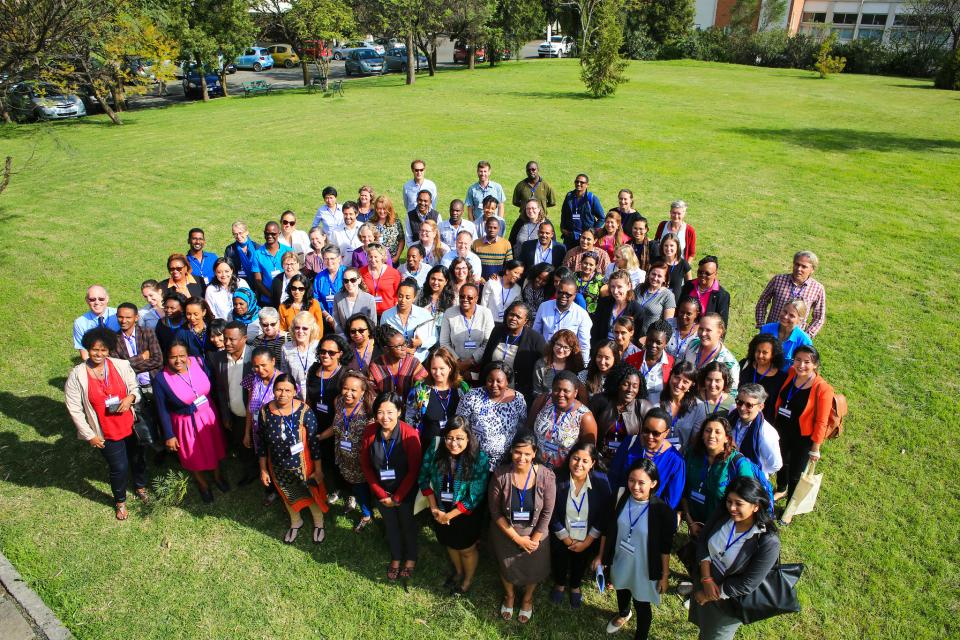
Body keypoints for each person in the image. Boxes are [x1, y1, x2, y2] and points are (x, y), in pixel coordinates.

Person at [65, 327, 146, 520]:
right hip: (105, 431)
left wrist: (130, 398)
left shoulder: (121, 365)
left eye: (103, 350)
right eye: (94, 350)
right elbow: (74, 408)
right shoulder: (77, 375)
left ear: (109, 349)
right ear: (87, 349)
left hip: (129, 424)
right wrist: (89, 435)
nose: (99, 354)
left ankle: (141, 486)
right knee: (119, 467)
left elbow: (135, 387)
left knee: (137, 458)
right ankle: (120, 501)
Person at [689, 477, 780, 640]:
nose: (732, 508)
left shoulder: (768, 542)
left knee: (715, 635)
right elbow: (703, 539)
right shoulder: (723, 513)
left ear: (755, 506)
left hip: (727, 602)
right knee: (704, 629)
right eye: (729, 501)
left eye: (739, 503)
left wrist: (709, 594)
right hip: (704, 580)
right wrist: (706, 578)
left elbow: (747, 584)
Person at [600, 458, 675, 639]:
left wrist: (664, 575)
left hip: (644, 566)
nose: (635, 487)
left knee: (642, 604)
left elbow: (665, 547)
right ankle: (624, 613)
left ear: (653, 483)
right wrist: (602, 558)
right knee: (621, 589)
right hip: (620, 559)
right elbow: (607, 529)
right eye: (631, 480)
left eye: (642, 482)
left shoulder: (661, 511)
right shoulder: (620, 497)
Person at [488, 430, 556, 623]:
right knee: (506, 566)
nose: (522, 458)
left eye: (527, 453)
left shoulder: (546, 476)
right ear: (511, 451)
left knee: (535, 567)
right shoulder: (501, 475)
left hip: (535, 534)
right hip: (506, 532)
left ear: (534, 453)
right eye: (518, 452)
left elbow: (547, 512)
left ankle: (527, 598)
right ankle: (509, 595)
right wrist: (517, 538)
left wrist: (533, 541)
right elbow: (495, 512)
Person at [418, 416, 491, 595]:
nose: (454, 443)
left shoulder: (479, 459)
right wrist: (435, 508)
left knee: (466, 549)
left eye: (459, 438)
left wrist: (448, 516)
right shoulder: (436, 451)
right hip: (440, 509)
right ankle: (459, 572)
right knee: (450, 544)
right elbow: (424, 477)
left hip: (465, 514)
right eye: (449, 438)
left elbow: (475, 495)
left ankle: (467, 579)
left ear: (468, 438)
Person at [153, 340, 228, 502]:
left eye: (182, 356)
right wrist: (169, 435)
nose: (178, 360)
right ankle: (203, 484)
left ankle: (217, 477)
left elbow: (212, 384)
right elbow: (162, 409)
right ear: (167, 357)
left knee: (213, 448)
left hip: (208, 416)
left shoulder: (199, 362)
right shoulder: (161, 379)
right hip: (186, 422)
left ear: (189, 355)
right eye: (173, 357)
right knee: (193, 455)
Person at [257, 374, 328, 544]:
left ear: (295, 391)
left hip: (303, 466)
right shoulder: (265, 412)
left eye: (287, 390)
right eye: (279, 389)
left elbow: (313, 443)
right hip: (278, 467)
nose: (283, 394)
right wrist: (263, 469)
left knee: (311, 494)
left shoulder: (305, 411)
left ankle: (319, 523)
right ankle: (296, 521)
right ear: (273, 390)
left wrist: (318, 470)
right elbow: (261, 442)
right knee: (287, 494)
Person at [360, 391, 423, 580]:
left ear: (399, 412)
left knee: (407, 525)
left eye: (390, 412)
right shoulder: (370, 432)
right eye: (380, 412)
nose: (384, 417)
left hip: (405, 492)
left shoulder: (409, 434)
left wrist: (397, 497)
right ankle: (396, 557)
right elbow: (366, 466)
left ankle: (410, 557)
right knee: (391, 525)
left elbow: (414, 470)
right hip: (382, 492)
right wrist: (381, 494)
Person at [549, 443, 612, 608]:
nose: (579, 464)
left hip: (587, 537)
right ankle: (560, 583)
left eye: (585, 461)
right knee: (559, 558)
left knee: (580, 560)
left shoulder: (602, 482)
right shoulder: (556, 479)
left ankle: (575, 585)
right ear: (569, 458)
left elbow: (604, 515)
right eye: (576, 458)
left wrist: (589, 540)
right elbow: (550, 512)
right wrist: (565, 538)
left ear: (593, 463)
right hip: (562, 535)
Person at [772, 345, 834, 502]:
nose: (801, 365)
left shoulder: (823, 388)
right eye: (798, 360)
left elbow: (822, 421)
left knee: (795, 475)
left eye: (807, 362)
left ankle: (789, 510)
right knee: (781, 463)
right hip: (782, 429)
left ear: (815, 365)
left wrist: (815, 448)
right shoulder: (791, 373)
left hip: (802, 437)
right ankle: (781, 489)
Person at [681, 416, 756, 537]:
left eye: (718, 432)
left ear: (727, 438)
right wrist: (690, 522)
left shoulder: (738, 463)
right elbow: (683, 490)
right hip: (695, 523)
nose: (711, 435)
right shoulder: (692, 455)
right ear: (702, 434)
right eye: (708, 430)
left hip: (724, 530)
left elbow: (749, 500)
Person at [210, 321, 258, 486]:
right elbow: (221, 389)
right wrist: (225, 414)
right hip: (236, 414)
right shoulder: (219, 358)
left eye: (232, 339)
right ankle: (250, 471)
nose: (227, 343)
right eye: (225, 338)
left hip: (255, 414)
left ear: (244, 338)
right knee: (243, 444)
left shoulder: (254, 359)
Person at [608, 408, 686, 509]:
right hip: (621, 509)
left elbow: (671, 501)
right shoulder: (629, 443)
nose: (650, 436)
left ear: (666, 433)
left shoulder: (675, 461)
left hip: (652, 517)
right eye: (646, 430)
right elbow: (613, 477)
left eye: (656, 433)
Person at [456, 362, 528, 469]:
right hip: (474, 460)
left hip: (505, 463)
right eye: (490, 380)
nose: (494, 385)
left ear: (507, 381)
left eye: (499, 381)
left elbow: (522, 426)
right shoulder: (472, 396)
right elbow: (459, 424)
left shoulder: (518, 399)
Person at [306, 334, 351, 505]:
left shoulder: (344, 375)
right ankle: (334, 488)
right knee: (325, 459)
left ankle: (350, 491)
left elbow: (344, 413)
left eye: (331, 352)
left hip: (337, 426)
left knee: (341, 460)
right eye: (323, 351)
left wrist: (324, 435)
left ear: (340, 353)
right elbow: (309, 400)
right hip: (316, 423)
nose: (326, 355)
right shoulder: (313, 369)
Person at [331, 370, 376, 532]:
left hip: (363, 459)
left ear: (363, 391)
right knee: (355, 485)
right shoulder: (339, 402)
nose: (348, 393)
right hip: (344, 456)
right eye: (345, 388)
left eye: (353, 390)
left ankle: (366, 514)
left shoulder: (370, 408)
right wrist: (319, 437)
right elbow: (335, 425)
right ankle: (362, 504)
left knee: (362, 487)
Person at [479, 301, 546, 404]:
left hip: (517, 395)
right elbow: (486, 359)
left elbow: (544, 364)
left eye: (518, 317)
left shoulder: (535, 339)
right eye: (511, 314)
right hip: (492, 389)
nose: (513, 318)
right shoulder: (497, 331)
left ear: (525, 321)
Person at [528, 371, 598, 470]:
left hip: (563, 475)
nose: (561, 394)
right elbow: (528, 430)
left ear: (575, 392)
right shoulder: (543, 400)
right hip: (535, 468)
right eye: (556, 389)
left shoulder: (585, 417)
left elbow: (588, 453)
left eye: (566, 391)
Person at [405, 347, 471, 447]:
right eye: (434, 368)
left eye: (442, 368)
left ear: (450, 368)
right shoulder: (421, 389)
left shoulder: (461, 388)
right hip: (428, 446)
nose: (437, 373)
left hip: (455, 446)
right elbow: (410, 419)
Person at [755, 250, 826, 337]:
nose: (799, 269)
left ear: (812, 270)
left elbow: (819, 317)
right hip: (771, 334)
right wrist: (762, 325)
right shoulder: (778, 280)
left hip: (794, 339)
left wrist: (806, 335)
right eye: (797, 264)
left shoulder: (817, 289)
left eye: (804, 267)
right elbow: (762, 302)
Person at [588, 363, 644, 463]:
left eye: (635, 386)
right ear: (617, 383)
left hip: (627, 461)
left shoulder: (643, 407)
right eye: (626, 384)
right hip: (600, 459)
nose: (630, 390)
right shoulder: (599, 401)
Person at [440, 283, 494, 381]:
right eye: (462, 296)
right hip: (455, 366)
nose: (465, 299)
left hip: (479, 366)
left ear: (477, 298)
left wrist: (471, 361)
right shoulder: (449, 313)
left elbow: (488, 342)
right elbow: (444, 343)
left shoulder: (486, 313)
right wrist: (458, 363)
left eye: (470, 297)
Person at [725, 384, 782, 476]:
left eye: (749, 405)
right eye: (739, 402)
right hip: (727, 470)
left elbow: (776, 465)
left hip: (749, 478)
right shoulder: (733, 412)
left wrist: (755, 471)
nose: (742, 408)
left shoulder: (766, 433)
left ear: (760, 407)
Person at [534, 277, 592, 365]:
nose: (563, 296)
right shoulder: (544, 307)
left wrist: (584, 366)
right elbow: (535, 334)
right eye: (560, 292)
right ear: (556, 291)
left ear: (574, 295)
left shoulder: (581, 314)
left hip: (568, 362)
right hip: (545, 358)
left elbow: (584, 345)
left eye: (568, 294)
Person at [654, 360, 706, 452]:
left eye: (685, 382)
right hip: (657, 455)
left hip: (682, 459)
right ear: (670, 376)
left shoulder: (698, 407)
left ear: (692, 384)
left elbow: (696, 442)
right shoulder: (656, 400)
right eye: (677, 377)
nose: (679, 384)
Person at [367, 325, 428, 404]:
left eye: (404, 343)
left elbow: (423, 386)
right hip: (385, 410)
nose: (404, 348)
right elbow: (371, 393)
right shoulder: (375, 366)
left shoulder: (413, 363)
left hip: (410, 409)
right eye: (398, 346)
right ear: (386, 349)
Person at [380, 279, 436, 362]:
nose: (403, 300)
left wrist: (421, 343)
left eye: (407, 297)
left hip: (420, 360)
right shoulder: (387, 315)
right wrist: (403, 349)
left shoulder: (424, 314)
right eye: (400, 296)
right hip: (395, 360)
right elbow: (383, 340)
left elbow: (434, 337)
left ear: (414, 298)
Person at [738, 334, 787, 426]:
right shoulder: (744, 365)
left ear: (773, 354)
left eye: (765, 352)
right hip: (738, 416)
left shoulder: (781, 378)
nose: (760, 355)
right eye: (758, 351)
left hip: (762, 424)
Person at [684, 313, 740, 394]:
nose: (703, 333)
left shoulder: (729, 362)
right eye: (701, 329)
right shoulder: (692, 344)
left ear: (720, 332)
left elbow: (731, 394)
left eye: (708, 330)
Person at [628, 320, 675, 405]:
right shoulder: (631, 360)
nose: (653, 345)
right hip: (633, 412)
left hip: (657, 414)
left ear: (666, 344)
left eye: (658, 343)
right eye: (650, 340)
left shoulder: (672, 364)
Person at [592, 270, 642, 347]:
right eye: (612, 286)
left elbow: (637, 337)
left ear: (629, 286)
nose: (615, 291)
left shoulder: (636, 309)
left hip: (624, 351)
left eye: (619, 287)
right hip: (603, 348)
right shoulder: (603, 303)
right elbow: (595, 329)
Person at [759, 299, 813, 368]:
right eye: (784, 312)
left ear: (800, 320)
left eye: (791, 315)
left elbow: (804, 368)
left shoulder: (804, 341)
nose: (785, 316)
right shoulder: (766, 329)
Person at [532, 329, 586, 396]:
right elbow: (537, 392)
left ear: (572, 350)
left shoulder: (577, 365)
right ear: (553, 344)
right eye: (558, 345)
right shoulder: (541, 364)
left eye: (566, 347)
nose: (561, 350)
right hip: (546, 403)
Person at [680, 256, 730, 327]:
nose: (702, 275)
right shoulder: (688, 286)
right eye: (700, 272)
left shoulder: (722, 296)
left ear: (715, 274)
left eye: (707, 273)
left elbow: (722, 325)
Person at [74, 285, 121, 359]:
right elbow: (84, 352)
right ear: (87, 300)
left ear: (107, 299)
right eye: (92, 299)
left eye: (101, 299)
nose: (97, 302)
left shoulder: (119, 315)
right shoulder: (80, 323)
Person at [560, 173, 604, 249]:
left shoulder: (592, 198)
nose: (578, 184)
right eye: (577, 182)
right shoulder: (569, 196)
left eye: (582, 182)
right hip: (570, 236)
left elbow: (602, 218)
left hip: (585, 238)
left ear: (587, 185)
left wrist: (592, 231)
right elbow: (564, 213)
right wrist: (562, 228)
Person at [250, 222, 290, 305]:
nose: (269, 236)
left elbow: (294, 275)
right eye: (267, 233)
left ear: (279, 233)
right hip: (267, 300)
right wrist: (272, 297)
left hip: (287, 299)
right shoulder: (257, 254)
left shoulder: (288, 251)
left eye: (273, 234)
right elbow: (258, 281)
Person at [331, 267, 378, 334]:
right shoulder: (338, 297)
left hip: (362, 338)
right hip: (344, 338)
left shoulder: (369, 299)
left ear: (359, 280)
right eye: (346, 281)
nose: (349, 284)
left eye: (353, 280)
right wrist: (343, 337)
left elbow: (373, 323)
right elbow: (336, 321)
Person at [282, 311, 321, 390]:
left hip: (316, 392)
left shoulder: (319, 346)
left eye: (305, 328)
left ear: (312, 330)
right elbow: (285, 375)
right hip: (296, 395)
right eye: (297, 328)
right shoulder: (286, 348)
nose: (300, 331)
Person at [360, 243, 401, 316]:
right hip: (368, 312)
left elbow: (397, 294)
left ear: (382, 257)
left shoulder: (394, 273)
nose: (373, 260)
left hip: (388, 312)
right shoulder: (361, 272)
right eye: (370, 257)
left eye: (376, 257)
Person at [634, 262, 676, 335]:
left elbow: (667, 324)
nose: (655, 278)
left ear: (664, 279)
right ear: (649, 274)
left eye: (659, 276)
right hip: (633, 333)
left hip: (650, 337)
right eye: (653, 274)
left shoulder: (668, 296)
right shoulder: (639, 288)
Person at [416, 265, 454, 340]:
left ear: (446, 282)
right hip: (421, 338)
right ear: (428, 278)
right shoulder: (420, 294)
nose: (436, 282)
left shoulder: (452, 299)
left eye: (440, 280)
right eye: (433, 279)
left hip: (442, 339)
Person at [473, 216, 514, 281]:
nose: (492, 230)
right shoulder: (476, 243)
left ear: (499, 229)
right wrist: (479, 277)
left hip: (498, 281)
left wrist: (500, 276)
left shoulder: (506, 244)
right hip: (479, 281)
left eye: (495, 228)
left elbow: (509, 265)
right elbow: (472, 263)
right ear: (485, 228)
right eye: (489, 227)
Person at [312, 244, 346, 321]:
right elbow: (316, 298)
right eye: (326, 259)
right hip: (325, 318)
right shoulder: (319, 277)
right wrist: (327, 316)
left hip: (346, 317)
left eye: (332, 258)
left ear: (339, 258)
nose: (329, 261)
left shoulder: (347, 273)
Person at [370, 195, 405, 266]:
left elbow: (401, 240)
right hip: (375, 261)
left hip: (392, 260)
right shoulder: (371, 223)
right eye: (379, 209)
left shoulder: (396, 222)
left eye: (384, 209)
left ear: (389, 209)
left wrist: (397, 257)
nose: (382, 211)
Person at [660, 233, 692, 305]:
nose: (668, 249)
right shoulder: (657, 262)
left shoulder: (684, 264)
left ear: (677, 247)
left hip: (675, 304)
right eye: (666, 245)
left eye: (672, 246)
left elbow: (689, 286)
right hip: (657, 302)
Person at [667, 296, 701, 361]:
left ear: (696, 314)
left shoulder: (700, 333)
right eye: (682, 312)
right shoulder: (668, 324)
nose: (684, 316)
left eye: (688, 314)